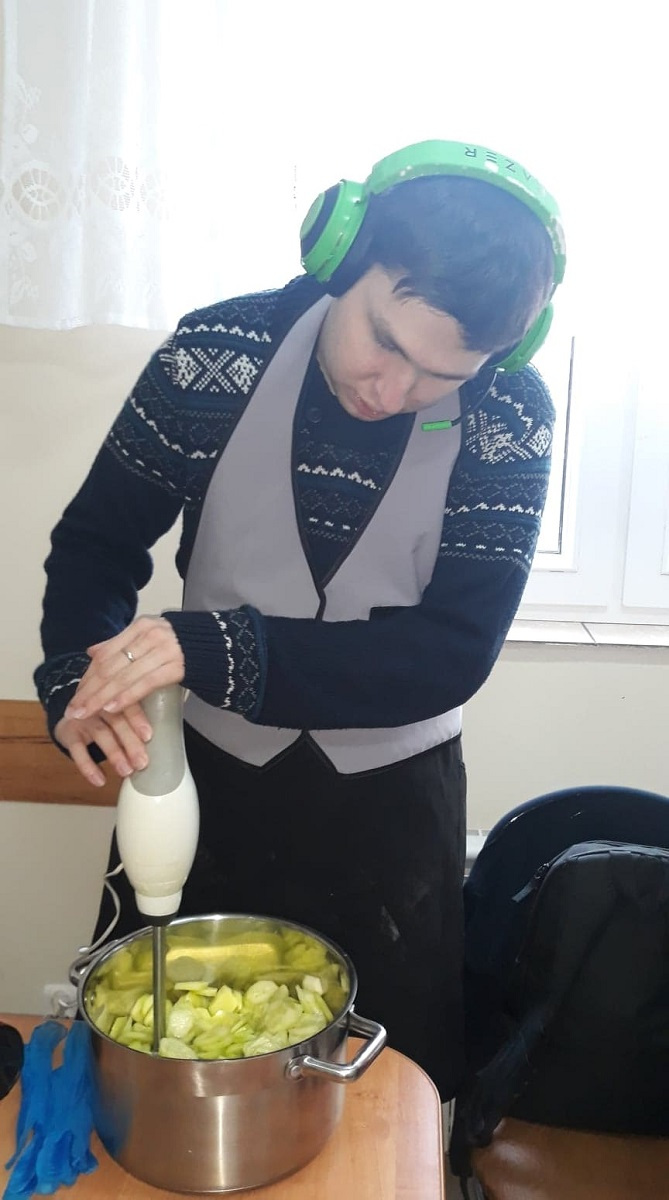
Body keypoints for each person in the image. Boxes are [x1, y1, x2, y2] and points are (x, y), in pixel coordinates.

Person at [35, 139, 565, 1099]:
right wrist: (79, 678)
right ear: (341, 256)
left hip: (391, 818)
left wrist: (207, 645)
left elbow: (448, 654)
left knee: (388, 1097)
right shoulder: (216, 356)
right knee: (161, 1067)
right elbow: (95, 549)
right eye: (383, 340)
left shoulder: (509, 415)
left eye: (440, 375)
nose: (391, 392)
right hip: (206, 787)